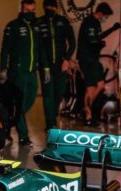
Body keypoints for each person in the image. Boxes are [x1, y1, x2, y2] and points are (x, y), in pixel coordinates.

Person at [0, 0, 49, 146]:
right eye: (28, 10)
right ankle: (23, 136)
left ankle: (8, 122)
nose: (31, 13)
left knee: (30, 100)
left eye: (33, 11)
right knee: (20, 104)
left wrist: (45, 68)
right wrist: (3, 69)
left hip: (32, 71)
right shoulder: (12, 26)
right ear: (21, 9)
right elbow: (5, 50)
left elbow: (41, 49)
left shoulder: (36, 26)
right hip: (18, 71)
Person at [77, 2, 121, 125]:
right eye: (105, 16)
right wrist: (100, 43)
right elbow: (92, 40)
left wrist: (112, 29)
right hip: (86, 59)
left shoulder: (96, 23)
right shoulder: (89, 22)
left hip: (93, 59)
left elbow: (98, 37)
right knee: (91, 88)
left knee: (99, 85)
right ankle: (88, 114)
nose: (105, 18)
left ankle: (87, 109)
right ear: (100, 13)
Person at [37, 0, 76, 131]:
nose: (50, 9)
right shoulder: (39, 22)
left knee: (59, 92)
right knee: (48, 94)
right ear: (43, 8)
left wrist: (66, 59)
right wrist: (43, 64)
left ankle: (53, 115)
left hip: (61, 64)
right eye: (47, 7)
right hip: (45, 65)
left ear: (56, 8)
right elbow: (38, 46)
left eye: (52, 7)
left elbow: (72, 43)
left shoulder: (63, 21)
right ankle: (50, 123)